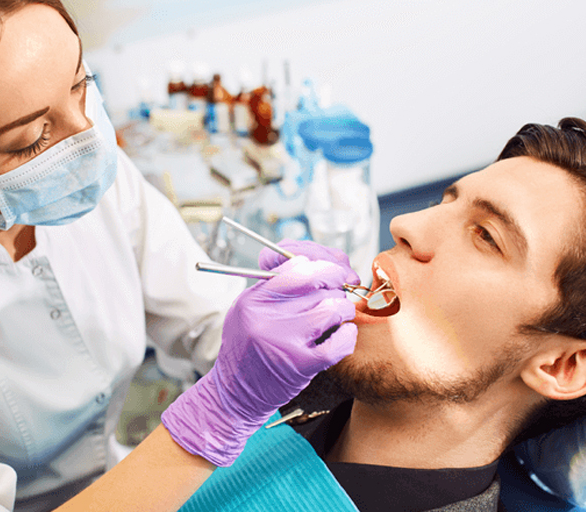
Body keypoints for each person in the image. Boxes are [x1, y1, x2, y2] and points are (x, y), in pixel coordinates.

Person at [0, 1, 361, 511]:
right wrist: (217, 413)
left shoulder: (86, 183)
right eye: (29, 139)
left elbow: (209, 320)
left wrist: (286, 330)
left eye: (81, 85)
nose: (88, 139)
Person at [177, 117, 586, 512]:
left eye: (485, 235)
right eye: (443, 202)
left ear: (563, 366)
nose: (404, 224)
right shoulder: (292, 383)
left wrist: (216, 414)